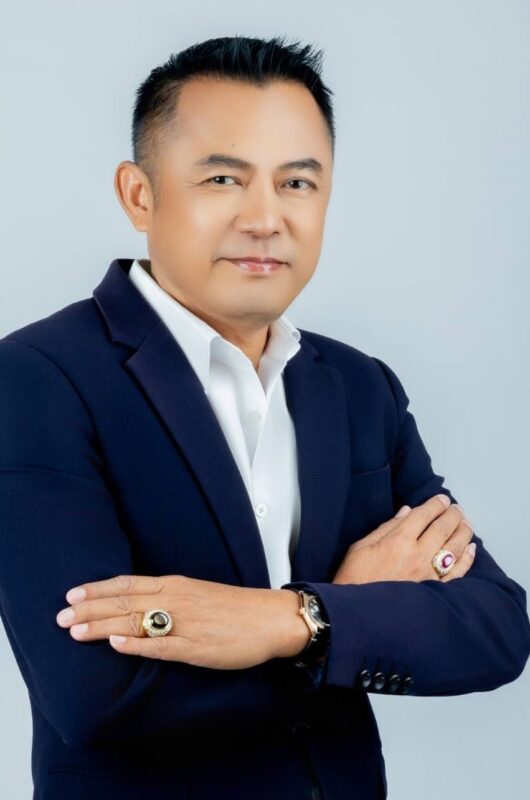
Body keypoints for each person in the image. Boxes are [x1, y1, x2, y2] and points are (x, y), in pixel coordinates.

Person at [0, 35, 528, 800]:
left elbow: (494, 627)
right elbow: (97, 696)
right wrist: (349, 618)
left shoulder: (359, 386)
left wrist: (293, 619)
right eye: (223, 178)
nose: (265, 218)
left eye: (297, 183)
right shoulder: (36, 378)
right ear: (139, 195)